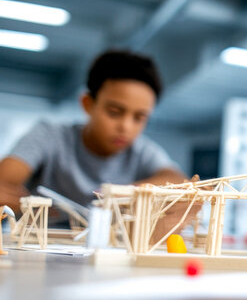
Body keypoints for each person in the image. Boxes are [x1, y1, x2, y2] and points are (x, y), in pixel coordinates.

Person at [0, 49, 185, 217]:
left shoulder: (142, 151)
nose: (126, 127)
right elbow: (4, 181)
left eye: (139, 117)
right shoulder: (49, 136)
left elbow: (179, 180)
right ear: (88, 104)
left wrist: (135, 190)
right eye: (114, 112)